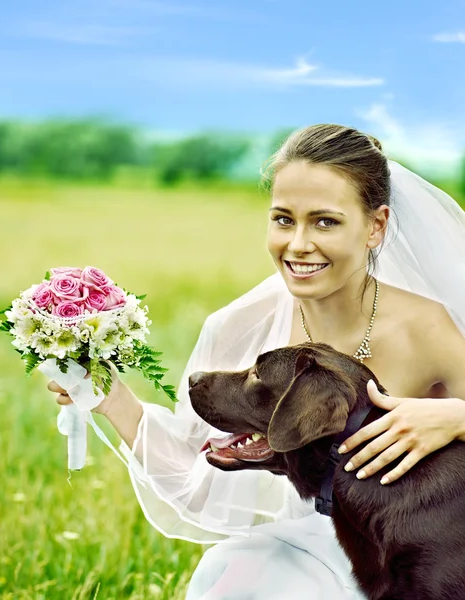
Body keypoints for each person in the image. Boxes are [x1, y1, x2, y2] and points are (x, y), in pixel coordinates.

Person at [47, 124, 465, 599]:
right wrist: (109, 395)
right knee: (250, 578)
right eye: (283, 219)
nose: (298, 243)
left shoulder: (425, 327)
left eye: (325, 221)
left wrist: (458, 417)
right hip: (305, 547)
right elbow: (196, 476)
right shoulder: (238, 325)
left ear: (376, 226)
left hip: (419, 555)